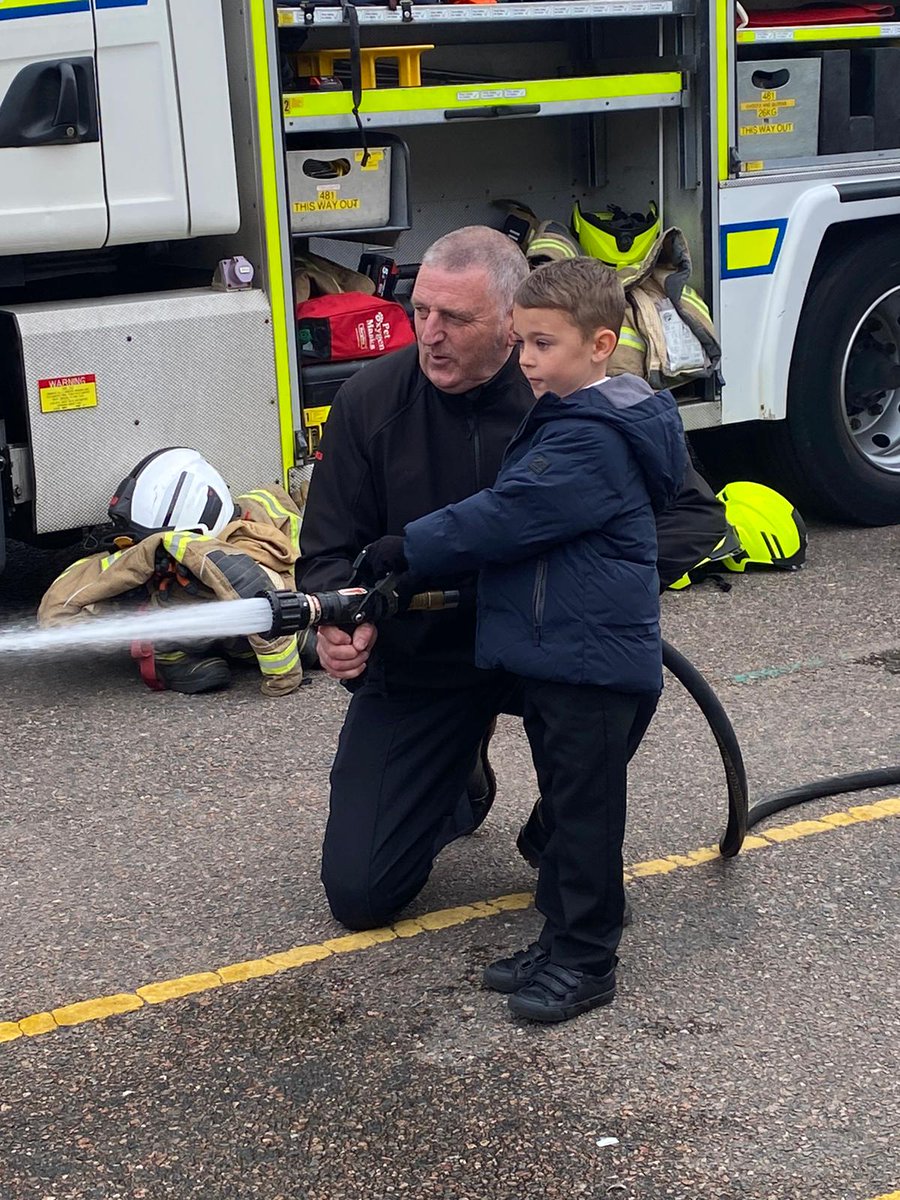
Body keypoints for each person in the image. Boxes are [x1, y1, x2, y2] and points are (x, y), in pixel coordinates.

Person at [297, 225, 729, 935]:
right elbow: (326, 553)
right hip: (426, 661)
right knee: (361, 895)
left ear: (512, 324)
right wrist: (340, 628)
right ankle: (457, 776)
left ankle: (558, 828)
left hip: (548, 650)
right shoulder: (370, 402)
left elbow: (694, 521)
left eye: (456, 319)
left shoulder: (571, 398)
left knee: (622, 679)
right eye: (420, 311)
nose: (430, 335)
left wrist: (573, 581)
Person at [358, 257, 685, 1022]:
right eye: (521, 343)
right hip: (561, 655)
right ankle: (559, 938)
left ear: (601, 345)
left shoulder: (596, 436)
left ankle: (586, 961)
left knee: (584, 819)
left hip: (591, 664)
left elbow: (511, 512)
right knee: (571, 810)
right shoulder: (581, 416)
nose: (527, 362)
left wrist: (410, 545)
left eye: (543, 345)